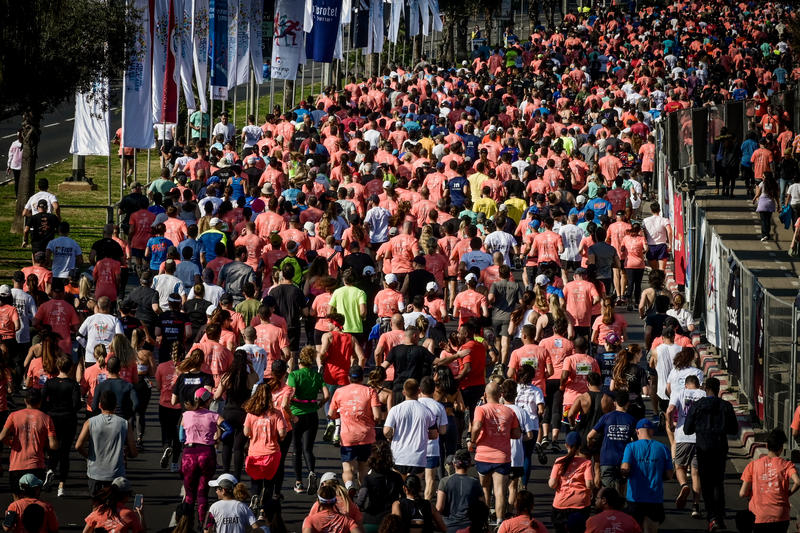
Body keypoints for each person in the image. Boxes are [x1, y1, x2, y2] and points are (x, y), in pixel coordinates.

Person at [683, 376, 739, 531]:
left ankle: (712, 516)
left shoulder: (698, 405)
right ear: (718, 389)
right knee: (718, 482)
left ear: (705, 389)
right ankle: (719, 515)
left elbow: (687, 429)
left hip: (703, 448)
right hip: (720, 447)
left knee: (706, 483)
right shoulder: (726, 406)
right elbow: (734, 429)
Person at [469, 381, 521, 526]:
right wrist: (503, 433)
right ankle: (500, 521)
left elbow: (477, 426)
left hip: (483, 455)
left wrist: (473, 441)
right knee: (500, 491)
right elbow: (517, 434)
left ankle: (485, 521)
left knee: (485, 489)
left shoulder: (481, 409)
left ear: (485, 395)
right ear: (500, 395)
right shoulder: (510, 411)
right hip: (502, 457)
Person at [75, 390, 137, 496]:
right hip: (116, 474)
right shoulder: (124, 424)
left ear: (100, 405)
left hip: (95, 473)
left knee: (97, 508)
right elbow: (134, 452)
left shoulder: (90, 422)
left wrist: (89, 457)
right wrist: (127, 454)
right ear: (115, 405)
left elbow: (78, 446)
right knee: (115, 508)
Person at [328, 365, 382, 485]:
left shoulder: (339, 392)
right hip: (366, 436)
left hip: (347, 436)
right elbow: (377, 416)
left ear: (348, 378)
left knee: (347, 468)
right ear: (363, 378)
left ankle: (349, 488)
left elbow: (330, 414)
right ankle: (362, 492)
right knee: (363, 467)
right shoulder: (370, 391)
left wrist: (341, 416)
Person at [739, 428, 800, 533]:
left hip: (759, 516)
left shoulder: (753, 465)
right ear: (781, 448)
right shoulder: (786, 465)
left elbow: (742, 493)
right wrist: (787, 494)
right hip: (781, 517)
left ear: (767, 446)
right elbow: (798, 482)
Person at [0, 388, 57, 498]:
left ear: (25, 401)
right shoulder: (46, 418)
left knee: (17, 501)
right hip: (36, 464)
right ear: (40, 402)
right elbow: (53, 445)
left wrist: (11, 443)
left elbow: (2, 436)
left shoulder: (13, 416)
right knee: (34, 501)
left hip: (17, 465)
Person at [243, 383, 287, 519]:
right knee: (269, 483)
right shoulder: (276, 413)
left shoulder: (251, 413)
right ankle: (263, 511)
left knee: (255, 481)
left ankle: (255, 497)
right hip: (272, 454)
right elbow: (282, 433)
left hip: (254, 453)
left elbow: (246, 432)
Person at [621, 419, 673, 533]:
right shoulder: (663, 448)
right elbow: (669, 475)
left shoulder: (631, 447)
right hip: (654, 498)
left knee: (634, 529)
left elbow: (625, 468)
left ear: (637, 431)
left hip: (634, 498)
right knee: (651, 530)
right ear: (652, 431)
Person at [288, 345, 326, 494]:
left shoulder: (294, 375)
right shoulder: (317, 375)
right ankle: (311, 471)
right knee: (308, 449)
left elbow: (289, 394)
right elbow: (326, 395)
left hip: (297, 414)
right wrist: (318, 405)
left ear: (300, 361)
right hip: (312, 415)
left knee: (296, 449)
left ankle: (298, 483)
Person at [40, 355, 81, 497]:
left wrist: (48, 411)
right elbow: (76, 404)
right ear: (70, 368)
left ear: (57, 367)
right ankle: (61, 485)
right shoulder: (73, 385)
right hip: (68, 419)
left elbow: (42, 401)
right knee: (65, 451)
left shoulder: (49, 383)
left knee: (52, 447)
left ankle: (50, 468)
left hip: (52, 418)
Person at [383, 378, 437, 477]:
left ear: (404, 392)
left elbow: (386, 431)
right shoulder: (428, 411)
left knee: (398, 487)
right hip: (418, 457)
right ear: (419, 391)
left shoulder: (395, 410)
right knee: (413, 488)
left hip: (398, 455)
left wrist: (391, 437)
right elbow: (433, 435)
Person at [587, 391, 636, 492]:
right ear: (628, 403)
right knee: (621, 489)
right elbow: (636, 441)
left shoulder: (606, 417)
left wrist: (591, 444)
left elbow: (590, 436)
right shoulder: (631, 420)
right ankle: (620, 506)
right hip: (624, 461)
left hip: (607, 460)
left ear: (615, 403)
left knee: (607, 491)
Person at [548, 431, 593, 533]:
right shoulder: (587, 463)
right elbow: (589, 484)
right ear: (580, 446)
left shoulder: (559, 461)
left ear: (566, 445)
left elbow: (552, 484)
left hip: (561, 504)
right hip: (580, 504)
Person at [356, 441, 405, 533]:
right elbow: (404, 498)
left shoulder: (368, 479)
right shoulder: (396, 477)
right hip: (390, 523)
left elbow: (361, 500)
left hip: (371, 521)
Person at [436, 449, 484, 533]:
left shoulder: (444, 481)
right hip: (469, 527)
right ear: (469, 465)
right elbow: (482, 506)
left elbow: (439, 508)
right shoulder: (475, 482)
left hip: (449, 526)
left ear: (454, 464)